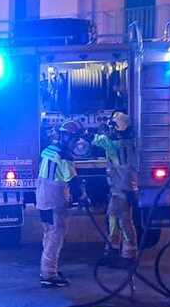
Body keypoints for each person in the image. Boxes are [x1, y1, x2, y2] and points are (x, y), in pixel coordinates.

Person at [36, 120, 84, 288]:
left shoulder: (48, 151)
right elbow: (72, 180)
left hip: (42, 200)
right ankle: (49, 275)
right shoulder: (64, 156)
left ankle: (49, 269)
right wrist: (81, 196)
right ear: (69, 138)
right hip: (54, 202)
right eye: (74, 138)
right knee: (55, 236)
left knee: (48, 234)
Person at [94, 111, 139, 262]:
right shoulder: (130, 143)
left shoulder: (113, 145)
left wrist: (99, 130)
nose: (111, 129)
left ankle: (127, 254)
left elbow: (97, 141)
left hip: (121, 189)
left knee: (123, 220)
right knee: (114, 218)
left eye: (113, 126)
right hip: (123, 189)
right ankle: (114, 249)